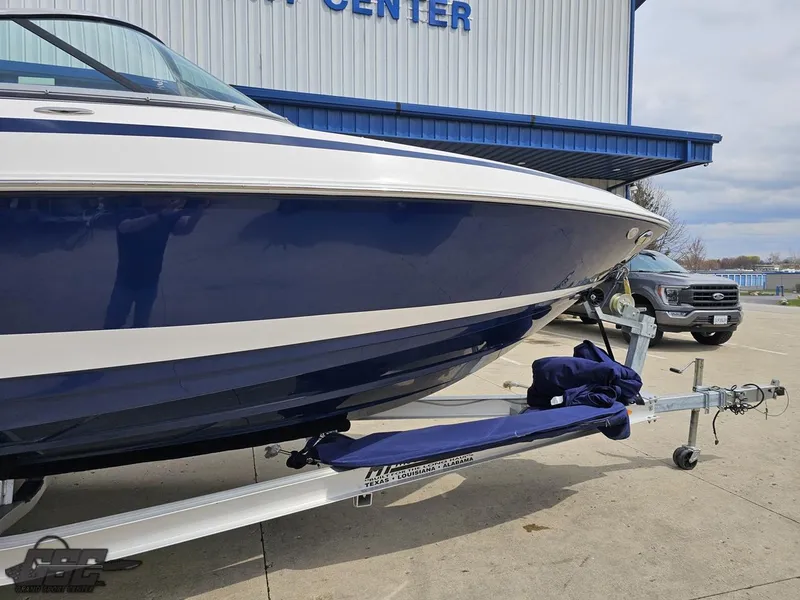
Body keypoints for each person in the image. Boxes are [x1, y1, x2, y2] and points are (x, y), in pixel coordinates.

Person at [104, 197, 204, 329]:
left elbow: (184, 229)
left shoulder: (167, 216)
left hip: (150, 283)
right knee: (113, 325)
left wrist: (198, 212)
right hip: (125, 282)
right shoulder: (132, 210)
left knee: (142, 325)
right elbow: (125, 226)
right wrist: (159, 216)